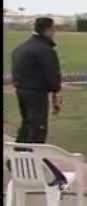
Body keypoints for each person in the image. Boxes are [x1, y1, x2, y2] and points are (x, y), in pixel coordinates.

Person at [10, 17, 66, 187]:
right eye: (53, 29)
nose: (54, 32)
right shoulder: (45, 50)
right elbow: (52, 77)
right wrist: (55, 93)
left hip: (22, 92)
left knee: (27, 126)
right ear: (48, 29)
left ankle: (15, 162)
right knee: (37, 130)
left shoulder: (21, 48)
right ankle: (34, 170)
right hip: (36, 94)